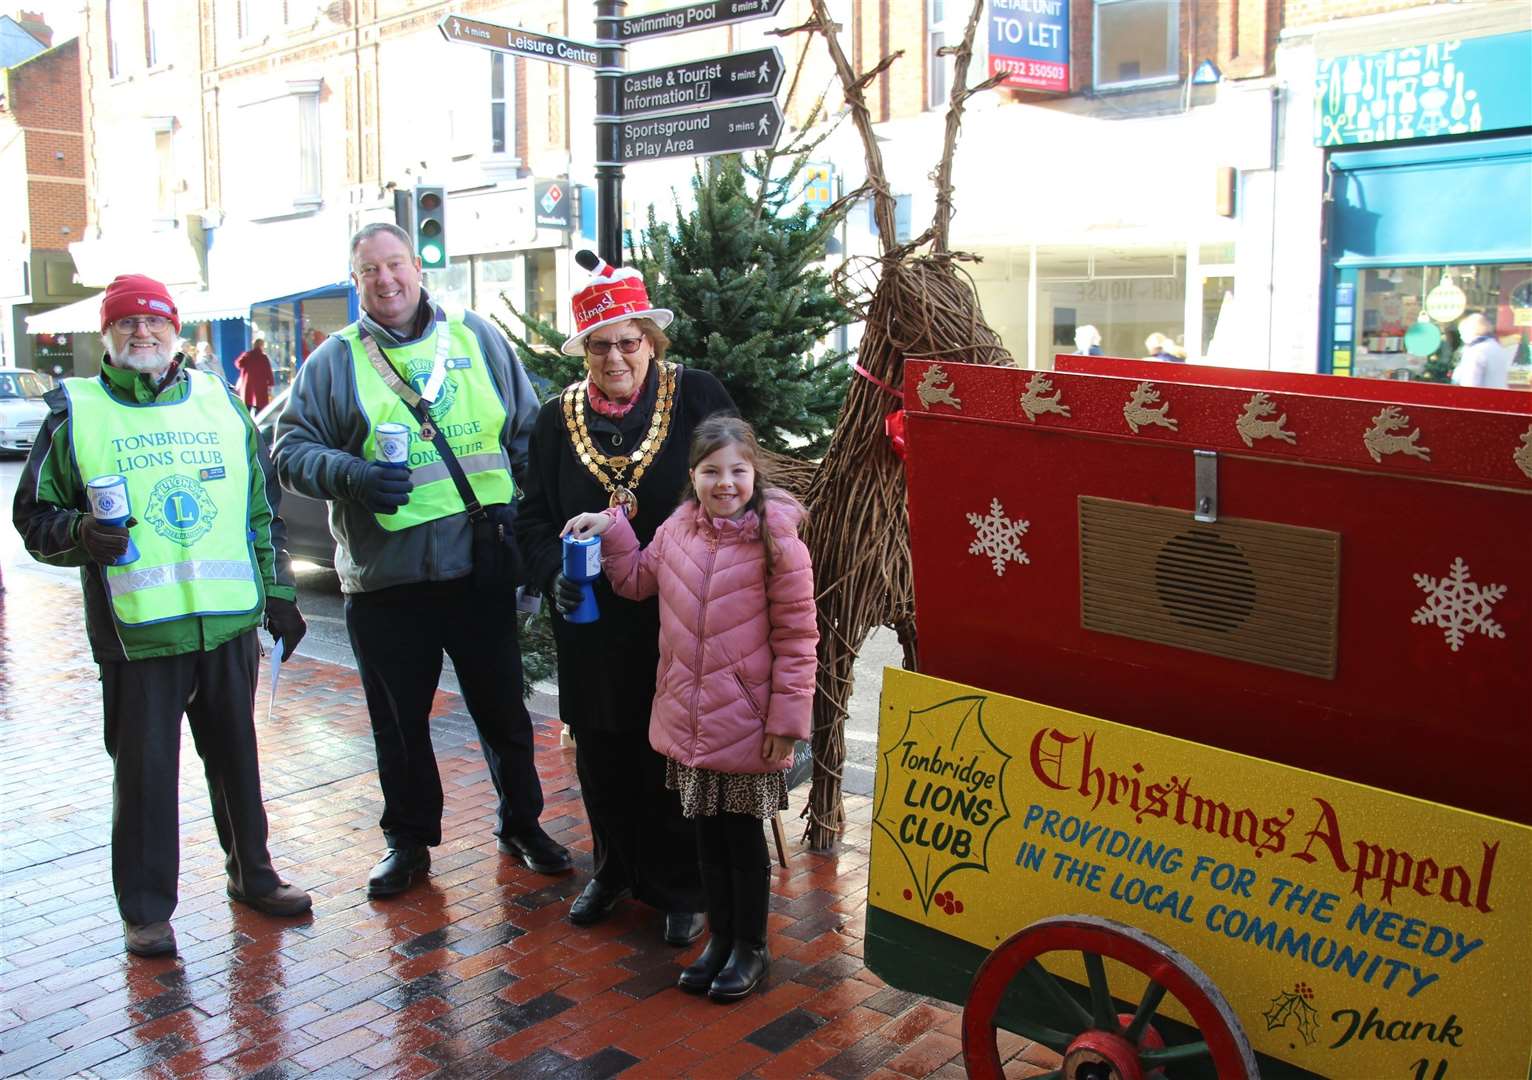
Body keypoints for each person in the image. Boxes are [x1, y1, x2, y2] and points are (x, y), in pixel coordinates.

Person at [11, 273, 312, 957]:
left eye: (153, 321)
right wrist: (80, 533)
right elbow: (33, 517)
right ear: (107, 335)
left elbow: (258, 512)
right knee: (146, 778)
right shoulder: (76, 413)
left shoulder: (222, 405)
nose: (141, 333)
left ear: (176, 329)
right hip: (139, 635)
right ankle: (146, 909)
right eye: (126, 324)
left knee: (238, 762)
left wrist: (281, 593)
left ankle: (254, 876)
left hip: (227, 623)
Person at [272, 223, 570, 898]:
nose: (386, 279)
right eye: (369, 270)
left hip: (478, 569)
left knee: (502, 710)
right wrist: (353, 475)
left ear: (418, 268)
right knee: (399, 723)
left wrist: (529, 535)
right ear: (357, 283)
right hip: (386, 581)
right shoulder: (333, 361)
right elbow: (291, 452)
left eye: (395, 264)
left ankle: (523, 823)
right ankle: (407, 843)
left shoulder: (476, 338)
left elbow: (526, 436)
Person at [514, 253, 736, 947]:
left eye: (628, 341)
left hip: (678, 616)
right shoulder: (558, 421)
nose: (616, 356)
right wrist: (556, 570)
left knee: (670, 754)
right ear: (583, 351)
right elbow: (532, 517)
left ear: (651, 340)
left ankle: (679, 887)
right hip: (591, 623)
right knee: (602, 752)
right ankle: (612, 870)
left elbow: (735, 491)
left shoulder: (697, 395)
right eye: (600, 344)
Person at [562, 416, 816, 1001]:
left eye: (737, 471)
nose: (725, 483)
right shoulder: (678, 532)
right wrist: (612, 527)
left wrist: (786, 723)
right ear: (693, 476)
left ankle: (750, 947)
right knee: (706, 836)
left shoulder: (779, 544)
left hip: (750, 723)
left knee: (741, 841)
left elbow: (800, 641)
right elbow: (633, 581)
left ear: (755, 473)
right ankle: (720, 940)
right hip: (691, 717)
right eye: (711, 471)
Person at [1452, 313, 1510, 388]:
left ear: (1470, 331)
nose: (1461, 337)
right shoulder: (1497, 347)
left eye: (1462, 333)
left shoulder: (1475, 351)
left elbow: (1470, 384)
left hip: (1482, 397)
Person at [235, 336, 274, 410]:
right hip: (260, 388)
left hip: (247, 387)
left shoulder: (247, 355)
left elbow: (238, 364)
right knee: (260, 411)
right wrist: (270, 384)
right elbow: (269, 372)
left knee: (247, 409)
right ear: (261, 346)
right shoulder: (263, 357)